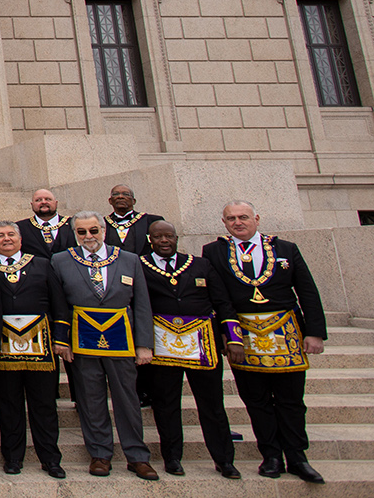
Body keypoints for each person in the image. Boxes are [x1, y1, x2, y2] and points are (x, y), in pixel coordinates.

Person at [202, 201, 327, 483]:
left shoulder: (285, 249)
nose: (238, 222)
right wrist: (229, 337)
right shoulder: (214, 252)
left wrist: (315, 332)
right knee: (256, 400)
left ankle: (297, 456)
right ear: (224, 223)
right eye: (231, 218)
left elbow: (307, 290)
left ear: (256, 218)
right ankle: (271, 455)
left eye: (243, 217)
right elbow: (220, 298)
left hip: (286, 332)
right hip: (244, 335)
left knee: (291, 400)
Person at [51, 211, 157, 480]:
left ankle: (137, 456)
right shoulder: (61, 260)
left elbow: (142, 303)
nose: (89, 237)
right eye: (82, 232)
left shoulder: (129, 259)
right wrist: (62, 340)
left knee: (128, 399)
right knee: (90, 398)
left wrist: (144, 344)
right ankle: (100, 453)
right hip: (83, 340)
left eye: (93, 231)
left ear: (104, 230)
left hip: (122, 341)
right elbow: (58, 305)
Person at [140, 219, 239, 478]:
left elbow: (222, 303)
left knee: (212, 404)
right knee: (166, 404)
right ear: (150, 239)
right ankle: (172, 457)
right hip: (163, 346)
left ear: (176, 238)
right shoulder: (140, 266)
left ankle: (224, 460)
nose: (164, 241)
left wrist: (233, 338)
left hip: (202, 345)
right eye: (158, 236)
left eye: (168, 236)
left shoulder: (201, 265)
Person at [0, 221, 65, 478]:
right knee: (9, 405)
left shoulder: (42, 264)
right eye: (0, 235)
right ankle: (12, 457)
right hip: (4, 347)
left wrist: (61, 339)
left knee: (43, 405)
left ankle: (50, 458)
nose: (6, 239)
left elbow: (58, 303)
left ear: (20, 239)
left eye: (11, 235)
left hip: (40, 346)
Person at [104, 185, 162, 255]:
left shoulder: (151, 221)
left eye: (126, 194)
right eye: (115, 194)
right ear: (110, 201)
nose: (120, 197)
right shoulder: (102, 223)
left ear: (133, 201)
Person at [17, 189, 74, 258]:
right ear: (32, 205)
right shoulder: (20, 227)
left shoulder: (73, 223)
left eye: (48, 199)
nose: (43, 202)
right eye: (38, 200)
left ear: (56, 203)